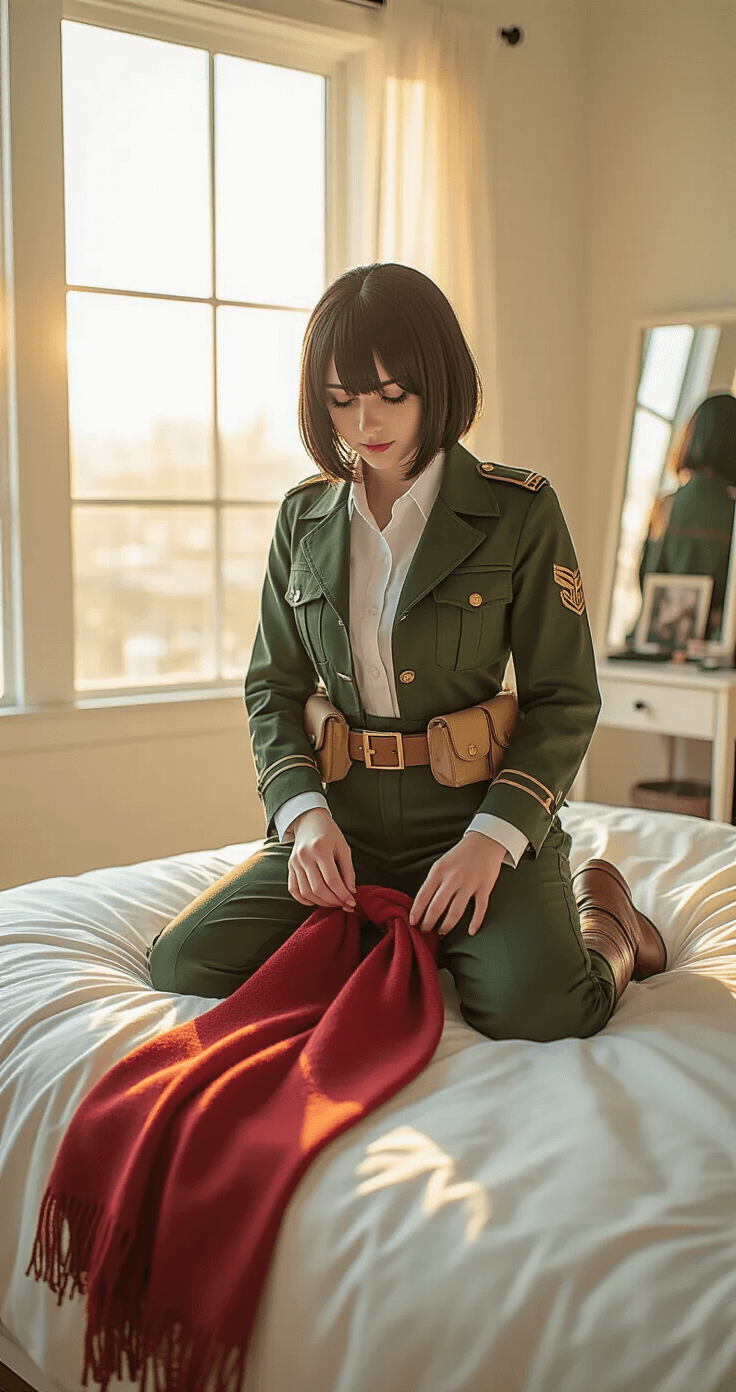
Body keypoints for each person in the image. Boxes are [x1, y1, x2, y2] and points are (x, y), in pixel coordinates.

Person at [148, 263, 666, 1040]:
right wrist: (303, 818)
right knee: (186, 962)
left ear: (438, 382)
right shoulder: (302, 518)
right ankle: (414, 937)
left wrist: (491, 842)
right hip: (344, 819)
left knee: (543, 1009)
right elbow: (272, 688)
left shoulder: (519, 510)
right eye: (341, 399)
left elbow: (564, 698)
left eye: (392, 394)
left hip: (471, 813)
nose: (366, 422)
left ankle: (608, 916)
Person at [636, 393, 736, 645]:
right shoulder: (731, 512)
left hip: (652, 642)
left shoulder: (664, 506)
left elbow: (644, 579)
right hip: (713, 647)